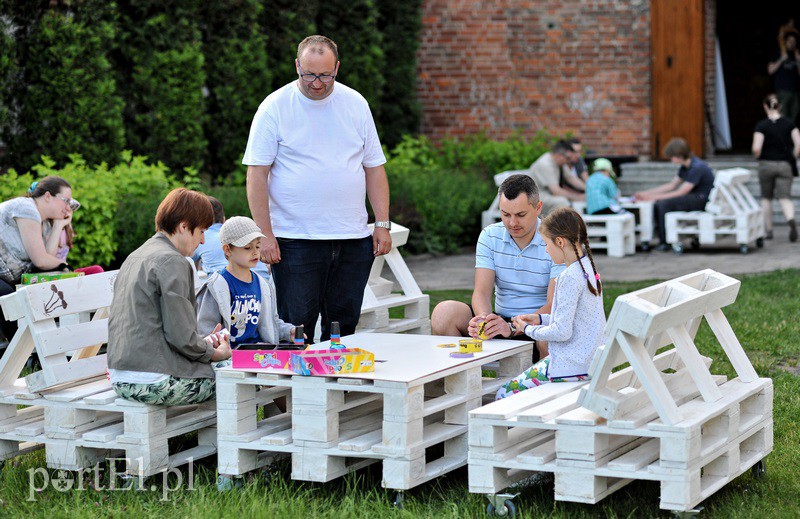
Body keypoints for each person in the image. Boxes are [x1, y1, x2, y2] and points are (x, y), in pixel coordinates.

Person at [243, 34, 391, 342]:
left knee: (344, 327)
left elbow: (374, 168)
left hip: (352, 239)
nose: (317, 82)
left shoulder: (356, 104)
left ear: (337, 67)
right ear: (297, 66)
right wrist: (265, 234)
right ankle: (295, 391)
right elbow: (257, 174)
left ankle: (335, 388)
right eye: (308, 74)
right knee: (296, 328)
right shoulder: (275, 107)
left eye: (325, 75)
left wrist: (382, 223)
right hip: (296, 240)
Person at [107, 188, 231, 406]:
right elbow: (181, 337)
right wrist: (215, 352)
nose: (202, 240)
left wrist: (201, 343)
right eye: (201, 231)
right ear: (184, 226)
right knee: (238, 375)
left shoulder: (135, 255)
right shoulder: (173, 262)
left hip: (121, 378)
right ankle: (231, 439)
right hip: (155, 380)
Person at [430, 174, 564, 362]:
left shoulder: (555, 241)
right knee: (443, 313)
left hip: (536, 323)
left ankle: (543, 386)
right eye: (505, 214)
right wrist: (485, 321)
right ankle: (462, 379)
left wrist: (512, 327)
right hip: (500, 318)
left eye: (520, 215)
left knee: (549, 336)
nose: (512, 223)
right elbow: (481, 292)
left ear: (538, 208)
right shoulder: (490, 236)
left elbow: (553, 306)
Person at [497, 207, 605, 400]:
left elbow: (562, 332)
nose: (546, 250)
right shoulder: (588, 269)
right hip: (589, 363)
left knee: (504, 394)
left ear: (560, 242)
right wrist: (539, 318)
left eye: (547, 244)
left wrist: (528, 329)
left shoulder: (568, 278)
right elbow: (574, 319)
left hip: (568, 367)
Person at [197, 216, 298, 345]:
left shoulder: (263, 285)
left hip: (260, 355)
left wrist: (289, 331)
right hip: (228, 359)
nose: (255, 252)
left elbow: (271, 322)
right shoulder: (216, 286)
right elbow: (206, 331)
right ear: (227, 250)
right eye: (247, 248)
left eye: (257, 246)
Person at [0, 176, 77, 343]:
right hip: (3, 279)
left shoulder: (45, 223)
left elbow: (45, 260)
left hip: (6, 277)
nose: (68, 207)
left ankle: (35, 354)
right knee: (9, 299)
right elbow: (41, 261)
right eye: (66, 200)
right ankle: (27, 356)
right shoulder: (26, 208)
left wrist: (58, 225)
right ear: (48, 196)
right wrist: (65, 266)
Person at [634, 138, 715, 251]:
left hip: (701, 200)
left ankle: (665, 242)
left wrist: (652, 197)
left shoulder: (697, 167)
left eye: (671, 156)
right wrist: (646, 193)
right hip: (693, 197)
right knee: (660, 203)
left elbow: (681, 192)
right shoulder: (685, 167)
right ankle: (662, 238)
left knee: (663, 205)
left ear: (678, 155)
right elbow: (672, 185)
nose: (671, 160)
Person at [752, 94, 800, 242]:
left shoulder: (762, 125)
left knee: (766, 198)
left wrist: (758, 157)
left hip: (766, 164)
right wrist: (793, 157)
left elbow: (756, 148)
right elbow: (798, 144)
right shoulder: (790, 124)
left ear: (765, 106)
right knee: (785, 197)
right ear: (780, 106)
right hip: (785, 164)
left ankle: (769, 230)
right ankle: (791, 220)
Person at [192, 196, 271, 279]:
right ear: (224, 220)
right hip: (263, 280)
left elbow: (191, 271)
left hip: (226, 286)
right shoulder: (243, 234)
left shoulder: (199, 236)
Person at [528, 140, 585, 215]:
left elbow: (571, 178)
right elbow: (556, 191)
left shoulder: (560, 161)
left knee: (564, 200)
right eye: (568, 158)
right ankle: (561, 226)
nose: (569, 161)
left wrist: (588, 189)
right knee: (562, 201)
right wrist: (578, 197)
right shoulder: (545, 164)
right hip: (535, 196)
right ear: (559, 155)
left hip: (548, 194)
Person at [768, 31, 800, 122]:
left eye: (794, 41)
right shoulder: (778, 53)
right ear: (785, 42)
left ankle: (791, 135)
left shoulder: (796, 55)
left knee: (794, 117)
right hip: (782, 91)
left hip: (795, 91)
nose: (792, 43)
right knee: (783, 116)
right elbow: (770, 70)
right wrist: (781, 59)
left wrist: (798, 61)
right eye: (789, 41)